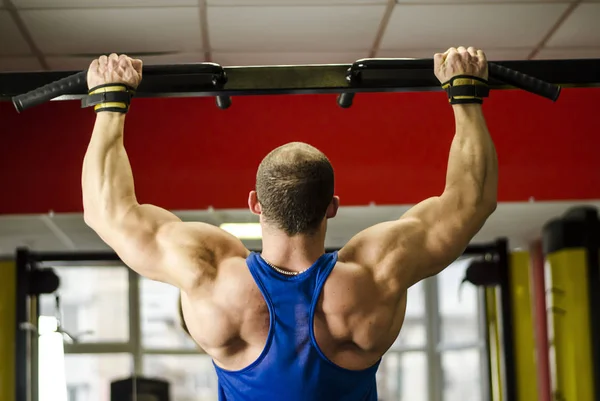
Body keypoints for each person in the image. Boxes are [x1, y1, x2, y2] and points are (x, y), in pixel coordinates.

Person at [82, 46, 497, 401]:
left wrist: (110, 100)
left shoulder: (210, 276)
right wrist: (466, 93)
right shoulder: (375, 274)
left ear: (254, 204)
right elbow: (470, 202)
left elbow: (107, 212)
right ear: (331, 207)